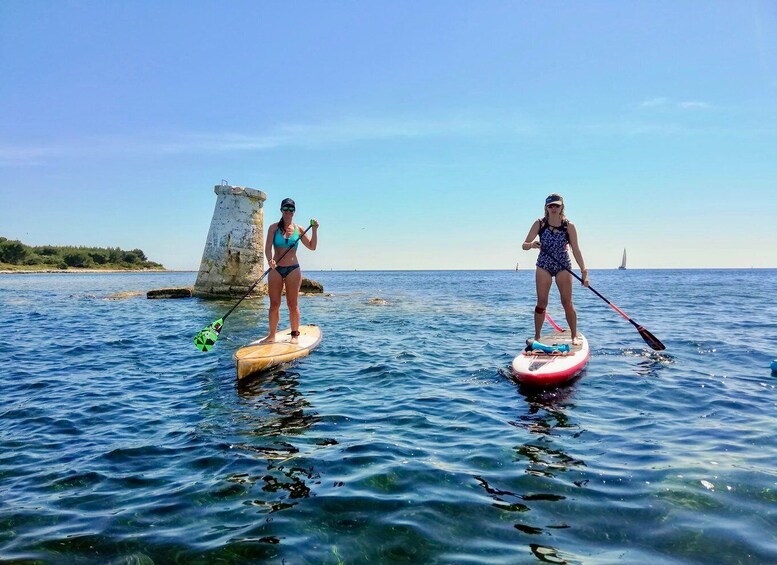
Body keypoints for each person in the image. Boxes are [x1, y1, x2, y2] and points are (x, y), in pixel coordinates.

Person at [522, 193, 589, 344]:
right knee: (542, 302)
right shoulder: (539, 223)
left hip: (563, 266)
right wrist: (532, 245)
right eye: (550, 205)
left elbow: (576, 250)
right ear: (546, 207)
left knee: (567, 302)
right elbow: (524, 245)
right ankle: (537, 337)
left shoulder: (569, 226)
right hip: (544, 265)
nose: (553, 208)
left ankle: (573, 336)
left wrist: (584, 272)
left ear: (561, 207)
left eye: (556, 205)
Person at [262, 198, 319, 344]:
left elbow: (312, 247)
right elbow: (268, 248)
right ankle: (272, 335)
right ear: (281, 210)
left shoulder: (299, 229)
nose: (288, 212)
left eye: (291, 209)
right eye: (285, 209)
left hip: (293, 269)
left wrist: (314, 229)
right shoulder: (273, 228)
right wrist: (270, 260)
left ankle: (294, 335)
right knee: (274, 304)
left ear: (294, 212)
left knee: (292, 304)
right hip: (276, 269)